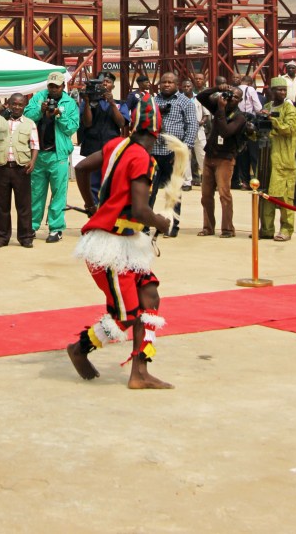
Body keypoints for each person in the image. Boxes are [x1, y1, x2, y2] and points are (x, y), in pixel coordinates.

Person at [66, 97, 176, 390]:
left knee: (150, 296)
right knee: (125, 316)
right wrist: (162, 222)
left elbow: (81, 168)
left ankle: (140, 371)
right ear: (156, 132)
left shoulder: (116, 144)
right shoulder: (143, 157)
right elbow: (140, 210)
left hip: (125, 241)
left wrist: (92, 205)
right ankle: (80, 348)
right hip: (110, 246)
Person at [25, 71, 80, 243]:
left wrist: (59, 115)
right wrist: (39, 112)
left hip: (58, 155)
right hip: (39, 155)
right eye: (51, 86)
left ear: (63, 86)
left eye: (56, 86)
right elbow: (26, 117)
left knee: (59, 193)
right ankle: (32, 226)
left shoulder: (69, 103)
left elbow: (72, 127)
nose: (53, 89)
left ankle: (56, 228)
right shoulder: (37, 98)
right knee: (36, 193)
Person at [0, 93, 39, 248]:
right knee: (1, 205)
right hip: (2, 168)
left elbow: (35, 145)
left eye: (20, 105)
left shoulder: (29, 123)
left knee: (24, 205)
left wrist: (32, 162)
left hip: (21, 169)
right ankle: (1, 238)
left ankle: (25, 237)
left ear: (24, 106)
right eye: (14, 104)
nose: (17, 107)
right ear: (8, 104)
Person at [149, 72, 197, 236]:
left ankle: (171, 227)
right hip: (153, 152)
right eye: (164, 82)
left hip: (173, 154)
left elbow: (191, 126)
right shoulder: (153, 101)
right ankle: (145, 225)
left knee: (173, 192)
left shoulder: (185, 102)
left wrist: (184, 149)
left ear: (177, 84)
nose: (167, 85)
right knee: (149, 191)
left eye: (170, 82)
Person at [196, 84, 246, 238]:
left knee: (224, 194)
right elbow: (201, 97)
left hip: (225, 158)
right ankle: (208, 227)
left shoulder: (239, 117)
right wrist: (217, 88)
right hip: (210, 156)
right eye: (230, 95)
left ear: (240, 101)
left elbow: (225, 131)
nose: (232, 98)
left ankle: (227, 229)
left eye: (236, 97)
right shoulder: (218, 107)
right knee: (205, 195)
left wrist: (221, 110)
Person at [78, 72, 129, 202]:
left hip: (112, 149)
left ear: (113, 86)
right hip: (92, 148)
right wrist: (88, 102)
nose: (105, 83)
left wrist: (112, 103)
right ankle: (94, 209)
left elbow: (122, 123)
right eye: (102, 81)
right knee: (93, 184)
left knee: (111, 182)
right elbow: (87, 123)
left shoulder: (119, 103)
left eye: (108, 81)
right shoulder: (88, 102)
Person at [259, 77, 296, 241]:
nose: (282, 92)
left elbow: (289, 129)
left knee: (284, 196)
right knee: (265, 195)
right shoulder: (267, 107)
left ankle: (286, 229)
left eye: (284, 90)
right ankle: (266, 229)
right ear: (271, 91)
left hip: (283, 159)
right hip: (266, 157)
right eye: (278, 90)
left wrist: (272, 119)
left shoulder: (289, 109)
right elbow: (261, 130)